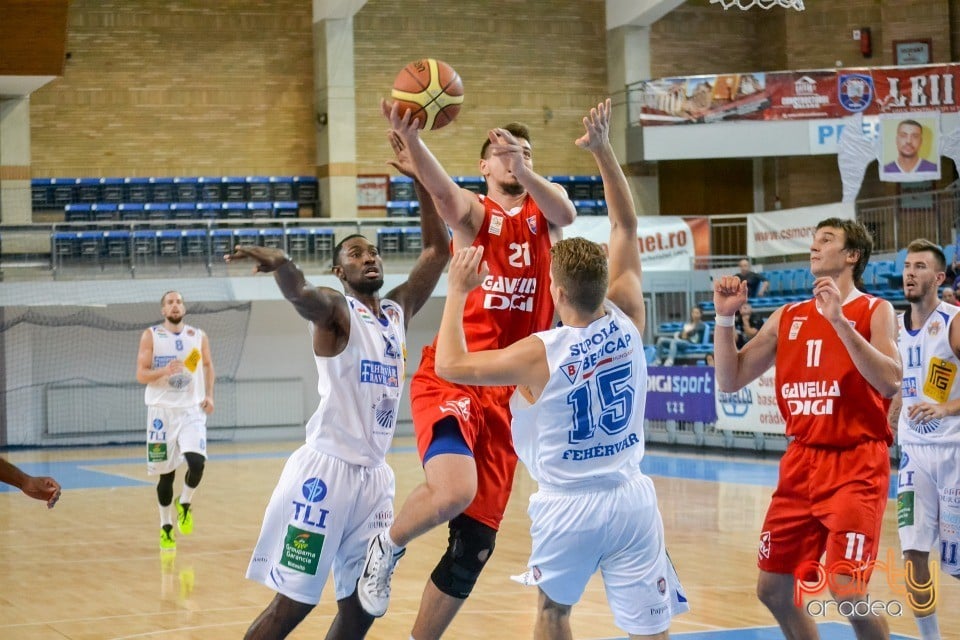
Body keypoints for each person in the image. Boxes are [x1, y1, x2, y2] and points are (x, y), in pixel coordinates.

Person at [434, 98, 687, 639]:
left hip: (568, 504)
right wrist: (602, 149)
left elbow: (451, 362)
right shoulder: (629, 317)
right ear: (604, 285)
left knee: (554, 614)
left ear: (554, 289)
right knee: (651, 626)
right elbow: (624, 222)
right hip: (631, 496)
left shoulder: (538, 354)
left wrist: (456, 292)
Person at [356, 99, 577, 636]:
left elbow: (567, 212)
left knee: (474, 547)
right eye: (502, 155)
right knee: (453, 491)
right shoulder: (478, 215)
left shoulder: (548, 217)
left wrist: (523, 165)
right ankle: (385, 545)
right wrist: (414, 140)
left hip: (509, 399)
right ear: (484, 166)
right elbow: (442, 193)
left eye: (523, 154)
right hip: (454, 375)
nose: (512, 161)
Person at [233, 125, 449, 640]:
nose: (368, 257)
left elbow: (437, 252)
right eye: (355, 254)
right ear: (340, 269)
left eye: (371, 251)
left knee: (362, 608)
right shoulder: (336, 312)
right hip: (323, 477)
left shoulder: (396, 311)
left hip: (374, 481)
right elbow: (302, 295)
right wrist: (284, 265)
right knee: (294, 606)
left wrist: (421, 178)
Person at [712, 217, 901, 639]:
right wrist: (724, 321)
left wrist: (839, 322)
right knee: (773, 588)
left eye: (827, 240)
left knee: (846, 588)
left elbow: (890, 379)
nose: (814, 247)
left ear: (852, 256)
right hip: (801, 462)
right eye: (814, 240)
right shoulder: (788, 316)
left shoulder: (874, 309)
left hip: (855, 463)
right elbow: (730, 379)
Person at [889, 239, 960, 640]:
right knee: (913, 552)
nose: (909, 273)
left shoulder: (953, 322)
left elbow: (942, 398)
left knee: (957, 562)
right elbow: (901, 383)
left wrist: (946, 409)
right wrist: (891, 413)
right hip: (915, 454)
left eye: (919, 266)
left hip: (955, 451)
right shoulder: (895, 328)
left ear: (938, 277)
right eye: (906, 266)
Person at [136, 291, 215, 551]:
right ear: (163, 310)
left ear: (184, 307)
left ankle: (186, 502)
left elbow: (204, 366)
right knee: (166, 477)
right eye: (170, 302)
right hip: (161, 413)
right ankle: (166, 526)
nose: (175, 305)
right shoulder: (152, 336)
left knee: (197, 462)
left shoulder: (197, 336)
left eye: (179, 301)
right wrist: (165, 371)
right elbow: (141, 374)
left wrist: (209, 395)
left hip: (191, 411)